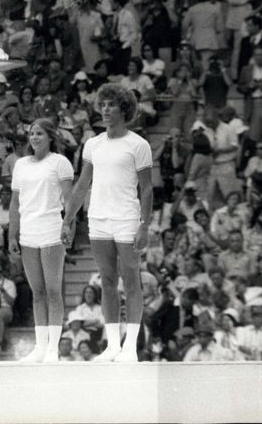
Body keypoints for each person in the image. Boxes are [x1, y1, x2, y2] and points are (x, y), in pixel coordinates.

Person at [63, 83, 152, 362]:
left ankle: (130, 348)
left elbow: (147, 189)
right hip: (98, 219)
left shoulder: (139, 144)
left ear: (124, 109)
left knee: (131, 281)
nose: (105, 109)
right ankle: (113, 345)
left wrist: (145, 224)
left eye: (111, 105)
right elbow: (81, 185)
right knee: (108, 282)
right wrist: (67, 220)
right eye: (102, 105)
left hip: (127, 218)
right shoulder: (92, 144)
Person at [8, 118, 74, 363]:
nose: (34, 137)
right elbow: (15, 204)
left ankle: (53, 349)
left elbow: (70, 200)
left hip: (51, 231)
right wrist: (11, 234)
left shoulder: (60, 162)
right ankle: (40, 346)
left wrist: (69, 226)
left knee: (53, 291)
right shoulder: (21, 164)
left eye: (39, 134)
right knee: (37, 293)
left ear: (50, 137)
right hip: (28, 232)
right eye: (31, 134)